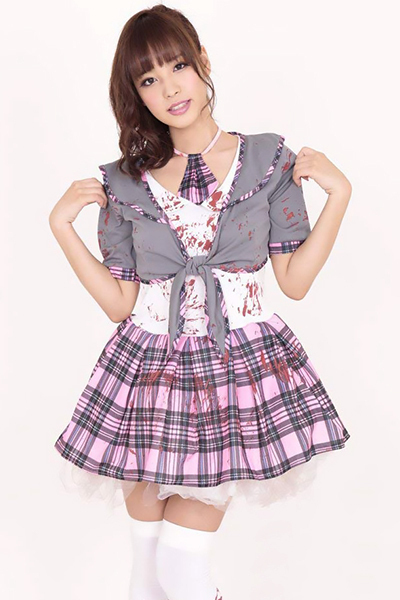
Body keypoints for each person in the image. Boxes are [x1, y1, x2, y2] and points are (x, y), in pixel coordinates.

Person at [49, 4, 352, 600]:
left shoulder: (268, 160)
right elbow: (119, 303)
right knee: (146, 575)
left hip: (232, 370)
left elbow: (293, 281)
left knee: (181, 568)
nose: (169, 89)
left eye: (178, 66)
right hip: (148, 375)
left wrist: (339, 194)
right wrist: (62, 227)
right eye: (149, 79)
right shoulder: (123, 182)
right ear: (136, 94)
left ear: (202, 61)